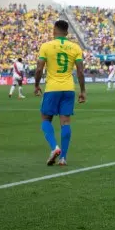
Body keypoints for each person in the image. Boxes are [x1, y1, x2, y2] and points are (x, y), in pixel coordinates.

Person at [35, 20, 86, 166]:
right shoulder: (75, 47)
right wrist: (82, 91)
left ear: (54, 30)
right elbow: (80, 71)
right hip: (69, 88)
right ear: (67, 32)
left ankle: (54, 148)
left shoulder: (46, 46)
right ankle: (63, 158)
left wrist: (37, 85)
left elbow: (39, 69)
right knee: (65, 122)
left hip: (52, 88)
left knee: (45, 119)